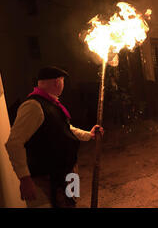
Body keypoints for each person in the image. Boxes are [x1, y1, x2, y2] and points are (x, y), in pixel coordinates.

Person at [5, 66, 104, 207]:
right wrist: (25, 179)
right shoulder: (33, 106)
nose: (63, 85)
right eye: (63, 81)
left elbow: (65, 128)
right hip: (47, 179)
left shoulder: (52, 103)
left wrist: (88, 135)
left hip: (69, 172)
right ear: (57, 82)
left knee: (72, 203)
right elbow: (14, 143)